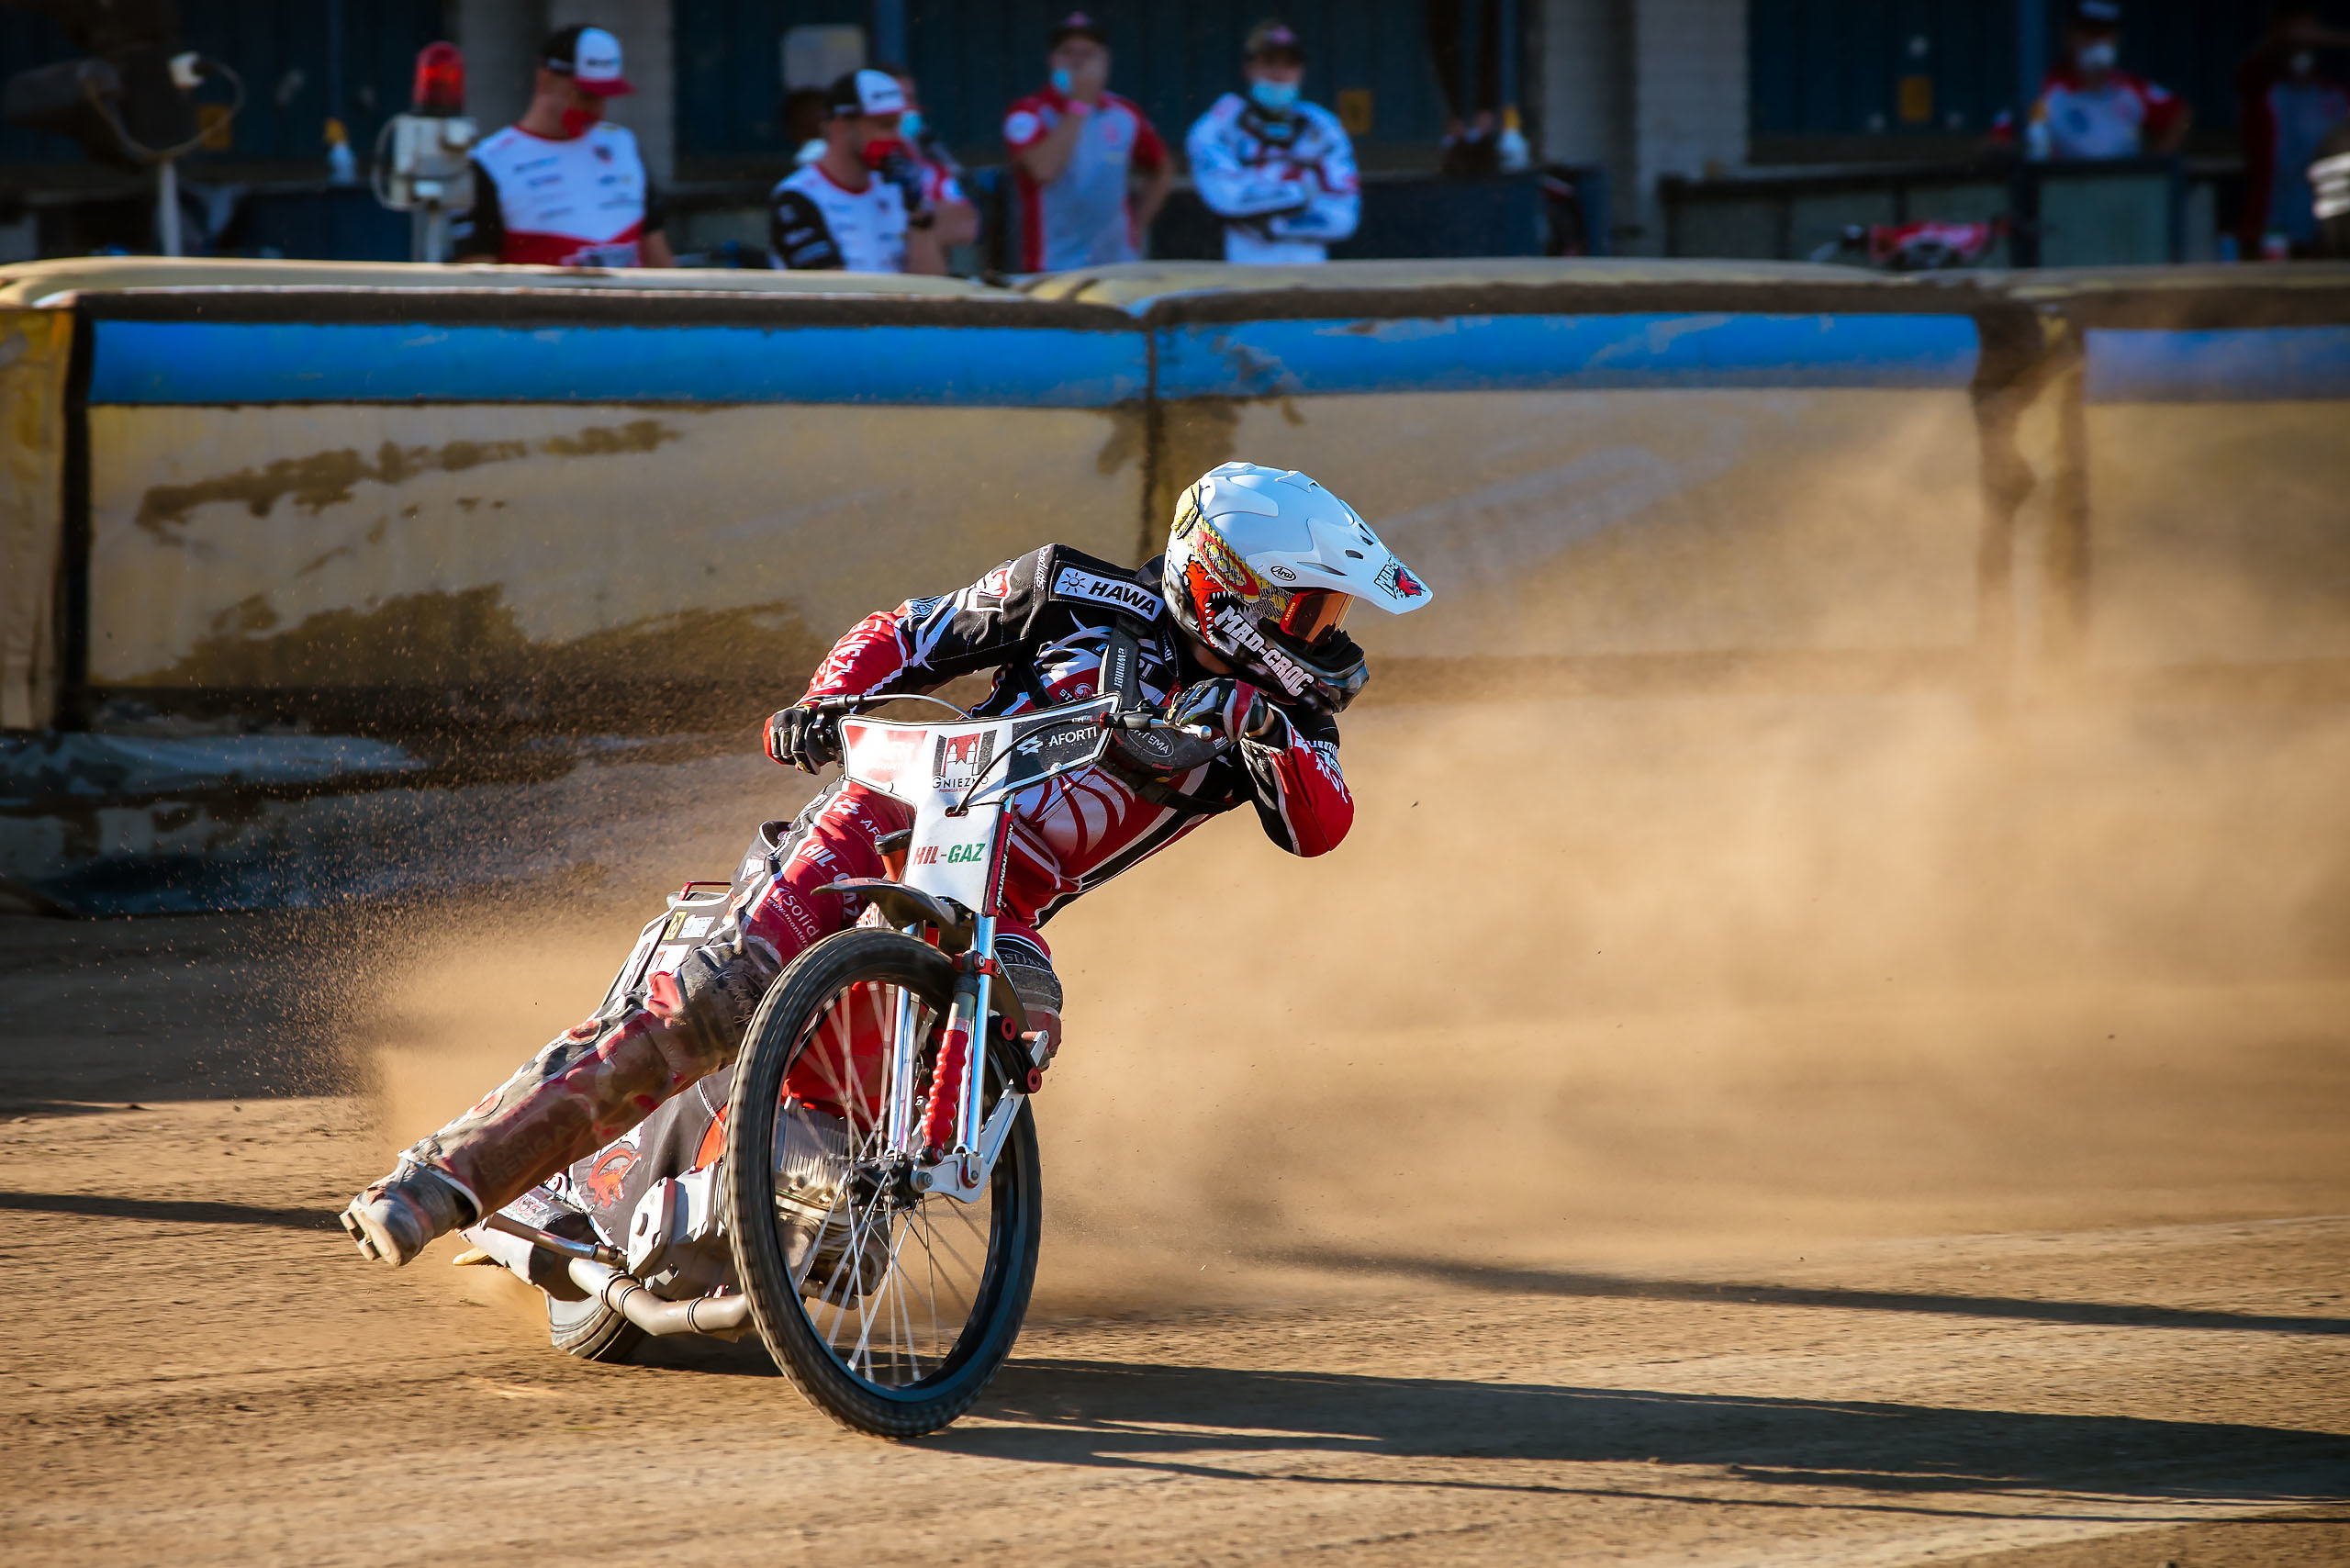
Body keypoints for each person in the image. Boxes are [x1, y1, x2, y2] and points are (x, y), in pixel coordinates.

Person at [340, 463, 1435, 1268]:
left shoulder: (1288, 718)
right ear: (1225, 587)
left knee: (1028, 1014)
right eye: (1307, 606)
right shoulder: (1070, 589)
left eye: (1327, 610)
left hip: (1002, 895)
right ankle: (443, 1181)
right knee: (711, 1002)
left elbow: (1321, 823)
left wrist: (1260, 728)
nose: (1324, 632)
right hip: (889, 814)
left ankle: (845, 1184)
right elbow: (909, 632)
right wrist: (827, 702)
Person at [453, 25, 673, 267]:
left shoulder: (623, 144)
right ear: (545, 80)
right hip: (540, 305)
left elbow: (657, 255)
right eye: (586, 95)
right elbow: (476, 276)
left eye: (604, 96)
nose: (597, 110)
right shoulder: (489, 162)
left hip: (629, 304)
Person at [1002, 12, 1173, 271]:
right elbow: (1043, 170)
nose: (1077, 62)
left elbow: (1162, 168)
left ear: (1105, 61)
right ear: (1052, 60)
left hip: (1117, 267)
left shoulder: (1124, 114)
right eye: (1068, 53)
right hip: (1052, 268)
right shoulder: (1028, 112)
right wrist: (1079, 104)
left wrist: (1137, 225)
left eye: (1088, 54)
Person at [1186, 20, 1360, 265]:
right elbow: (1227, 199)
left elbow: (1343, 219)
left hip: (1312, 273)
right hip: (1241, 268)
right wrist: (1301, 192)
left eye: (1289, 64)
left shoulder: (1323, 126)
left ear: (1302, 70)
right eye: (1269, 63)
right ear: (1249, 68)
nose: (1280, 74)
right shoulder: (1220, 124)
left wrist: (1275, 224)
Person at [767, 70, 944, 274]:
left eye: (899, 125)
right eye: (885, 125)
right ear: (840, 125)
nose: (897, 137)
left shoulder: (896, 188)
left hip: (895, 306)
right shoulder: (797, 195)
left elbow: (931, 286)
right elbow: (830, 293)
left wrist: (918, 213)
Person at [2007, 1, 2190, 162]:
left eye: (2103, 33)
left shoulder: (2130, 88)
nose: (2096, 41)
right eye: (2088, 32)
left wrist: (2156, 166)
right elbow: (2000, 138)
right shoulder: (2046, 91)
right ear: (2069, 35)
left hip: (2126, 192)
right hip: (2065, 192)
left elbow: (2181, 115)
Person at [2236, 2, 2350, 258]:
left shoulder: (2336, 95)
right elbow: (2284, 38)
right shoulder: (2262, 89)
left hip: (2325, 227)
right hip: (2271, 221)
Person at [887, 65, 980, 255]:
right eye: (898, 98)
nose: (908, 108)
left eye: (911, 99)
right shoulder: (860, 169)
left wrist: (903, 219)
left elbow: (966, 226)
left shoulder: (932, 171)